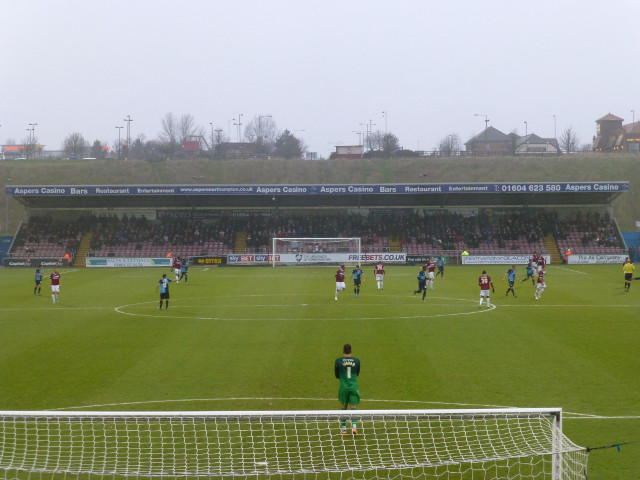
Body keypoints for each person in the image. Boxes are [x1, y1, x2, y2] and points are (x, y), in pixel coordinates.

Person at [334, 343, 360, 435]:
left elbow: (337, 375)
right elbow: (357, 373)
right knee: (353, 406)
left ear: (343, 351)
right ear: (351, 351)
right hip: (353, 387)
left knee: (343, 406)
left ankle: (344, 429)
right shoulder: (356, 361)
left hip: (344, 387)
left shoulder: (338, 361)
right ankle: (354, 428)